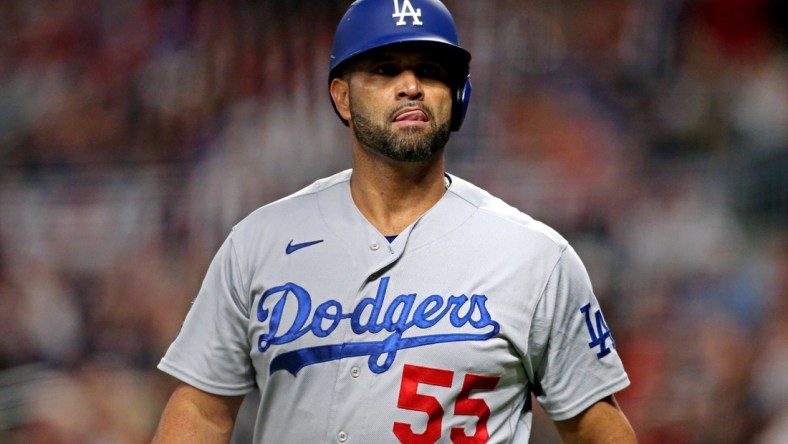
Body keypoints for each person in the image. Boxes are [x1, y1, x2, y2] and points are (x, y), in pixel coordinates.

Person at [152, 0, 637, 442]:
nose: (410, 86)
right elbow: (201, 409)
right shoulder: (260, 242)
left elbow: (597, 425)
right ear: (342, 98)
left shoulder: (535, 257)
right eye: (385, 70)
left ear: (458, 96)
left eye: (429, 70)